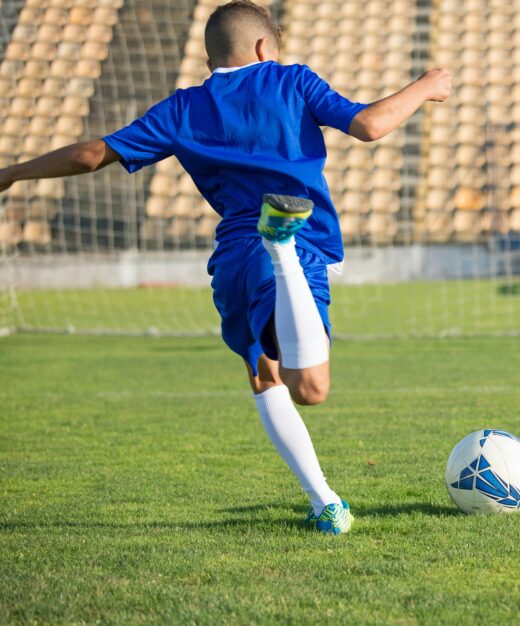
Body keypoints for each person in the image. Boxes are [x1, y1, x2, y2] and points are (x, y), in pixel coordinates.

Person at [0, 0, 452, 535]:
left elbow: (92, 153)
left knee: (264, 377)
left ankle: (325, 503)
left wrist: (12, 173)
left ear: (212, 57)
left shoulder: (184, 107)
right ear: (265, 48)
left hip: (232, 258)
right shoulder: (292, 80)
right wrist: (426, 84)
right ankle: (280, 246)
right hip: (290, 240)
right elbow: (370, 125)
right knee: (310, 388)